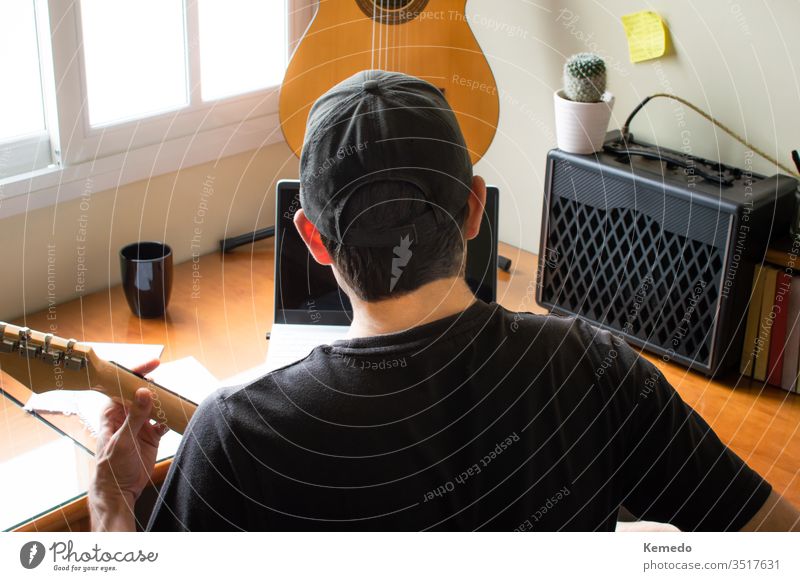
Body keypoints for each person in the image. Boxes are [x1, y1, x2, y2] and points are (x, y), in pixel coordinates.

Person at [89, 70, 800, 532]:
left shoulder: (236, 435)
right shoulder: (596, 366)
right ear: (473, 210)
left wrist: (111, 500)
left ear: (311, 238)